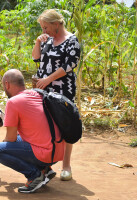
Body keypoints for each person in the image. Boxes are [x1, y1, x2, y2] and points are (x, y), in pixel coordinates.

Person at [0, 69, 65, 193]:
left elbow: (11, 138)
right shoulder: (38, 94)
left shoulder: (13, 102)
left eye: (4, 86)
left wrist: (5, 144)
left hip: (45, 153)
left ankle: (35, 175)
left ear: (7, 84)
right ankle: (44, 169)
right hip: (58, 151)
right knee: (20, 138)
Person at [31, 9, 81, 181]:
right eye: (42, 28)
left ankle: (66, 165)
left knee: (65, 124)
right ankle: (47, 164)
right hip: (44, 88)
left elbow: (69, 66)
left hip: (63, 89)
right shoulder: (47, 39)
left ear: (56, 24)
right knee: (46, 124)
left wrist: (47, 80)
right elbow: (36, 59)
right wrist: (38, 42)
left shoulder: (72, 41)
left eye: (46, 27)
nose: (44, 31)